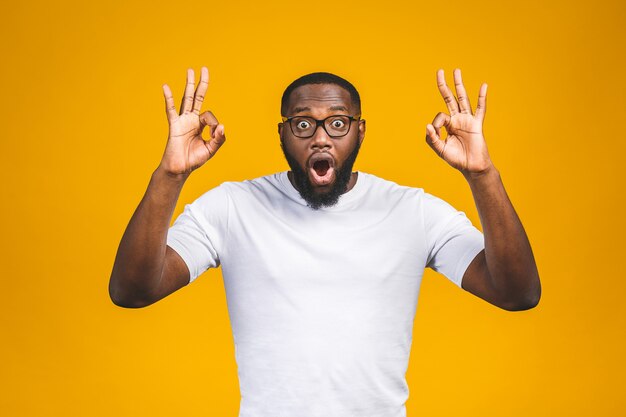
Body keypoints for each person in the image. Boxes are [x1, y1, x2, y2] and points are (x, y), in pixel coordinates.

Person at [109, 67, 541, 417]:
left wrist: (482, 176)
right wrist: (170, 177)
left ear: (360, 132)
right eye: (303, 124)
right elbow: (133, 291)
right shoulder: (231, 207)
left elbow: (517, 293)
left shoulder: (413, 211)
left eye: (337, 123)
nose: (320, 137)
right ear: (282, 134)